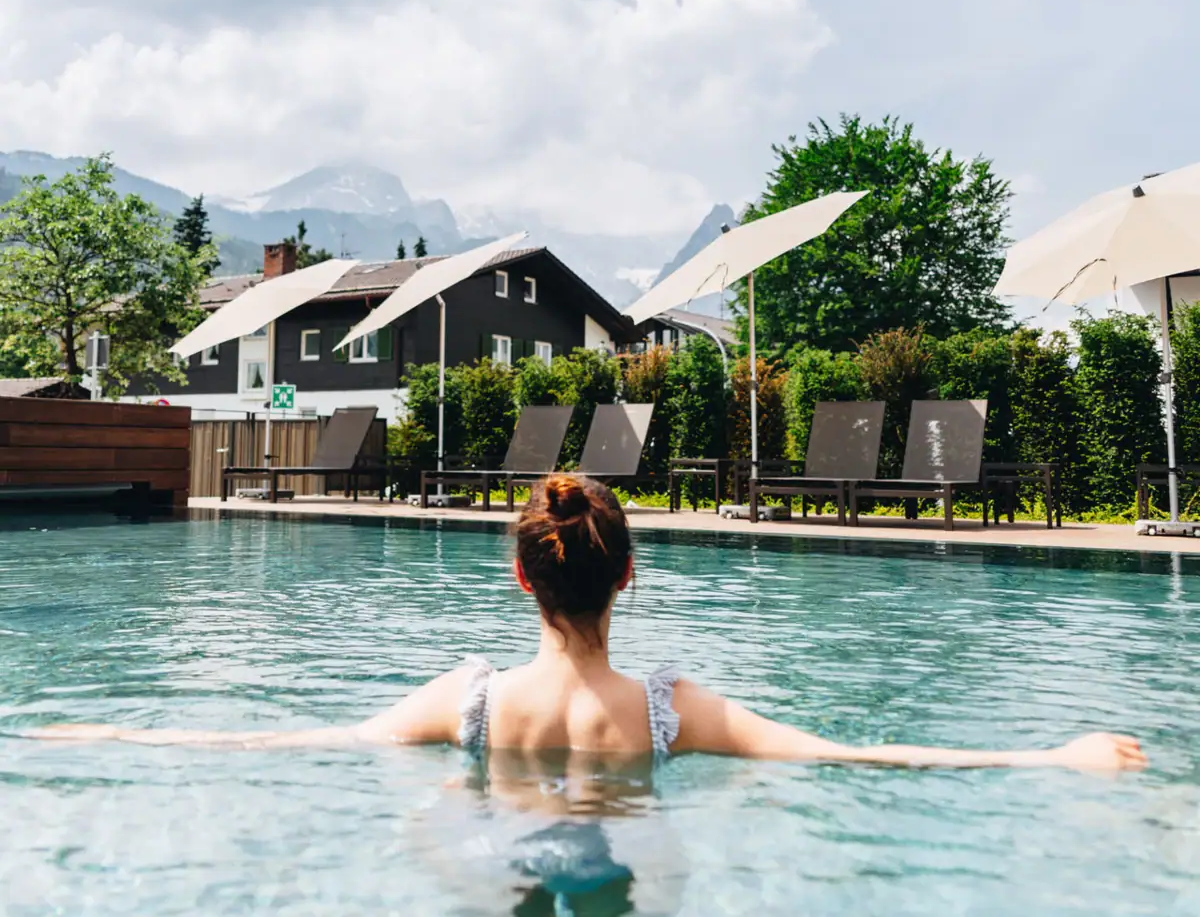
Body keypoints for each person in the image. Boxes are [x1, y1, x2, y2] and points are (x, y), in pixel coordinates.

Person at [34, 475, 1146, 772]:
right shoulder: (671, 710)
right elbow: (848, 754)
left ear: (523, 577)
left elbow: (288, 741)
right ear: (629, 578)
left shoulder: (467, 698)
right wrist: (1050, 754)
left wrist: (113, 733)